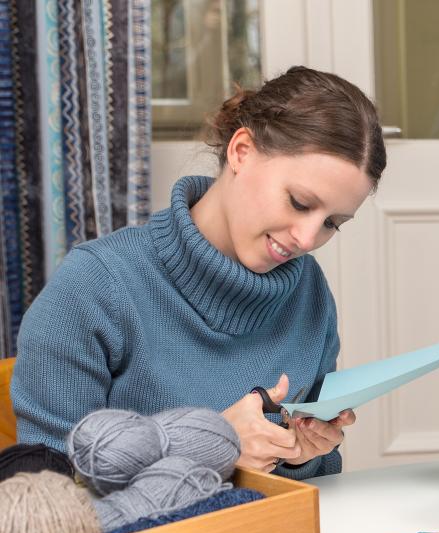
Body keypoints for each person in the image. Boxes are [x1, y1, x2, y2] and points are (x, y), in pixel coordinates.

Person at [12, 66, 387, 479]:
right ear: (241, 151)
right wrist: (210, 446)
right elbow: (47, 492)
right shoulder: (93, 287)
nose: (306, 238)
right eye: (299, 203)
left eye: (333, 223)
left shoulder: (308, 291)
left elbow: (315, 488)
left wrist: (301, 454)